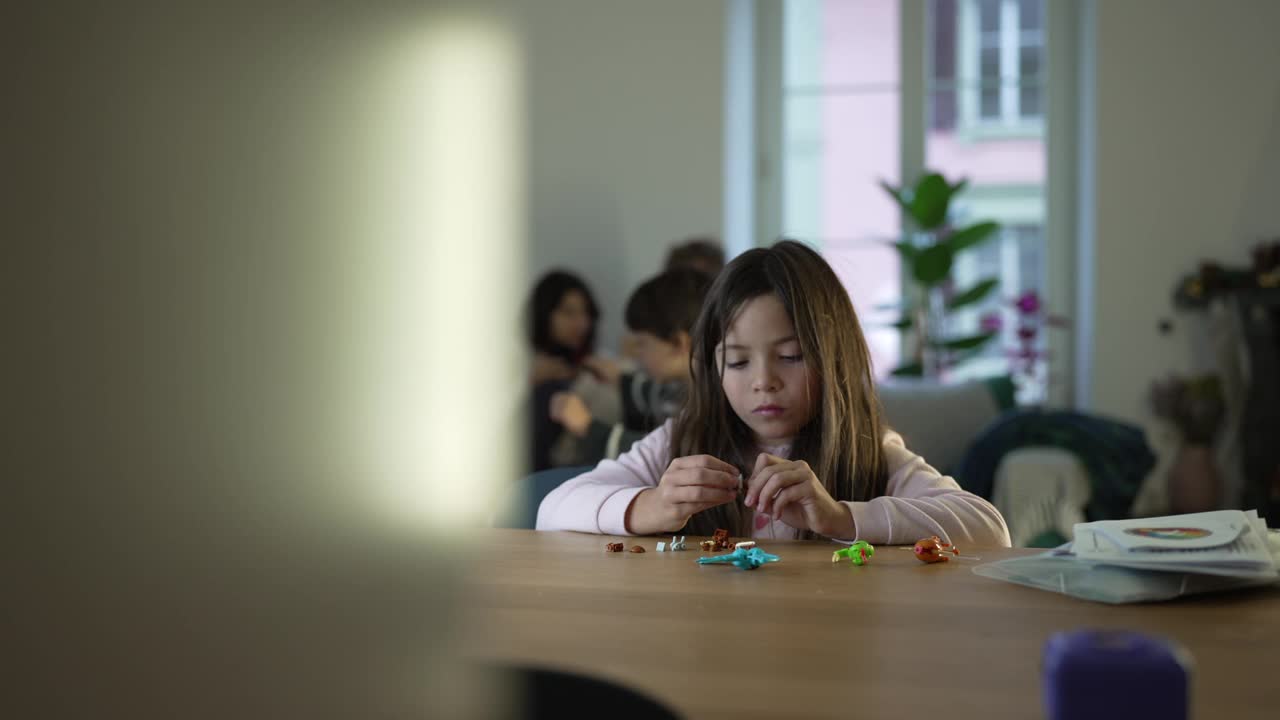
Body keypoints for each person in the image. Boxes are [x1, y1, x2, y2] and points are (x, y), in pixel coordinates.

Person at [536, 241, 1010, 546]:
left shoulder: (866, 448)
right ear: (712, 364)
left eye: (791, 355)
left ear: (833, 356)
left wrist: (840, 517)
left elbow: (989, 529)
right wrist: (654, 504)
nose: (764, 380)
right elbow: (553, 507)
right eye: (739, 361)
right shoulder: (683, 437)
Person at [549, 269, 712, 464]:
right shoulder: (684, 387)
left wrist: (587, 426)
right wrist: (619, 378)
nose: (637, 353)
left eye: (642, 343)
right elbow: (655, 394)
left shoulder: (708, 403)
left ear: (679, 343)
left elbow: (662, 455)